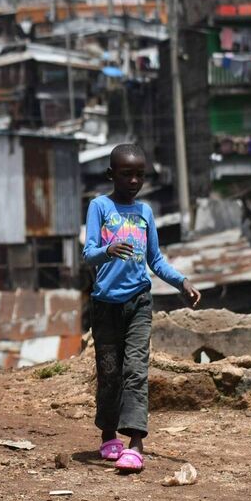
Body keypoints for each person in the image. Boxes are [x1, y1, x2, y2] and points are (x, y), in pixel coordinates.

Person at [82, 144, 201, 474]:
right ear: (112, 175)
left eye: (139, 175)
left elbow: (155, 260)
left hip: (138, 301)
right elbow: (88, 253)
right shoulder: (99, 206)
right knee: (109, 372)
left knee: (136, 369)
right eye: (126, 174)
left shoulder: (145, 212)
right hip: (105, 304)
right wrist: (107, 250)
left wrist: (182, 282)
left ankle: (135, 443)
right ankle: (109, 435)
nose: (134, 181)